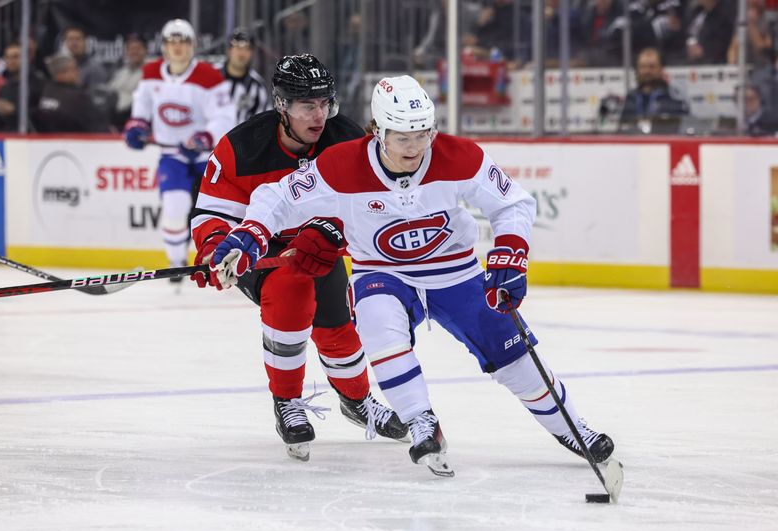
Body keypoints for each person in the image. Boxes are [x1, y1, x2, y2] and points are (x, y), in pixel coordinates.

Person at [205, 75, 616, 476]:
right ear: (377, 132)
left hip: (454, 270)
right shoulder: (343, 164)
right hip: (381, 271)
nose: (415, 147)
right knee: (381, 330)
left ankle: (573, 427)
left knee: (512, 354)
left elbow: (513, 204)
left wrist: (511, 250)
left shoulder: (460, 156)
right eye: (402, 136)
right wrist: (250, 235)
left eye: (423, 134)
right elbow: (275, 197)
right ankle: (422, 421)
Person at [190, 54, 408, 462]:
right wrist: (214, 250)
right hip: (263, 251)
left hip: (320, 248)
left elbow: (373, 207)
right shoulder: (241, 146)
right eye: (308, 105)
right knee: (291, 293)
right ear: (281, 105)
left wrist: (332, 234)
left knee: (339, 331)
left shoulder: (347, 141)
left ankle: (357, 401)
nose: (319, 115)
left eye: (326, 103)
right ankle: (286, 401)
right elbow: (212, 215)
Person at [124, 19, 235, 280]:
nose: (177, 47)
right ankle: (176, 265)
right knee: (175, 206)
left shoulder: (209, 76)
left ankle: (220, 258)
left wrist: (205, 137)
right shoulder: (151, 73)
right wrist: (136, 126)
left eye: (183, 41)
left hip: (206, 158)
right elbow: (141, 107)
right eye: (172, 42)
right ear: (163, 46)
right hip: (172, 156)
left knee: (215, 211)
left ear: (192, 45)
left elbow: (225, 116)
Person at [619, 47, 689, 131]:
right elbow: (622, 128)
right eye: (643, 67)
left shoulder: (674, 98)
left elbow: (682, 129)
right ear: (637, 70)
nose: (647, 71)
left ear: (661, 69)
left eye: (652, 67)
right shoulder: (630, 98)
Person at [35, 53, 107, 133]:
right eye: (74, 69)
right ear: (61, 73)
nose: (78, 72)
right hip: (78, 140)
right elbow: (97, 125)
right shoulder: (77, 97)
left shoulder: (46, 90)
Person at [218, 28, 270, 125]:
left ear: (252, 53)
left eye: (247, 48)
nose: (242, 53)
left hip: (240, 139)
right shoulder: (212, 76)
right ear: (229, 50)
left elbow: (261, 123)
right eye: (238, 47)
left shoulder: (257, 86)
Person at [106, 33, 147, 130]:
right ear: (126, 52)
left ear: (145, 50)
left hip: (136, 118)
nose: (134, 52)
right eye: (131, 49)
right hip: (115, 118)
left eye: (138, 48)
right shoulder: (120, 72)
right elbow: (109, 92)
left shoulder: (150, 72)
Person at [61, 25, 108, 91]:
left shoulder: (95, 69)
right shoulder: (63, 67)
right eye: (70, 39)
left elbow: (96, 98)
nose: (74, 43)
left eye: (78, 39)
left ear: (85, 42)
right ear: (66, 42)